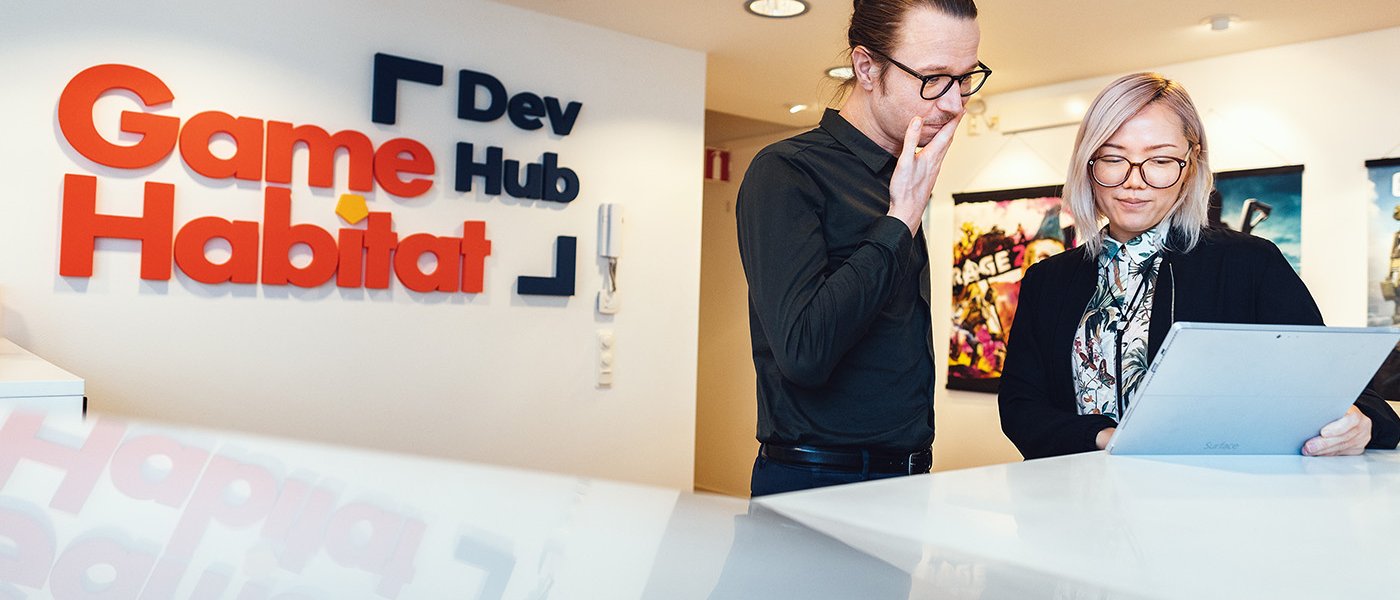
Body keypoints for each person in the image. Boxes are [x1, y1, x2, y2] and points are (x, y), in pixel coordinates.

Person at [998, 72, 1400, 459]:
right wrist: (1109, 438)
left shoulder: (1249, 263)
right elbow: (1020, 407)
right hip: (1071, 502)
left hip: (1210, 508)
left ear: (1190, 165)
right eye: (1113, 158)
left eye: (1159, 160)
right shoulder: (1049, 280)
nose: (1134, 181)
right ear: (1088, 165)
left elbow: (1347, 394)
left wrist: (1362, 422)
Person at [736, 0, 990, 496]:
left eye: (965, 78)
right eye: (934, 78)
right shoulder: (786, 172)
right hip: (816, 479)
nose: (955, 103)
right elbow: (805, 352)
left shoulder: (902, 177)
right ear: (867, 67)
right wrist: (900, 220)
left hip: (907, 476)